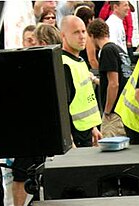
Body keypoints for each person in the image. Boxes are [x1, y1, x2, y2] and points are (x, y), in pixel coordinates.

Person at [60, 15, 101, 148]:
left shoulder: (80, 61)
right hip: (76, 137)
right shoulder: (64, 64)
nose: (82, 36)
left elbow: (84, 98)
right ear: (63, 36)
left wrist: (93, 128)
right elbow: (62, 106)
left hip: (87, 133)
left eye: (84, 31)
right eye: (76, 32)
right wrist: (68, 139)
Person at [87, 18, 131, 138]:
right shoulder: (119, 50)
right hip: (124, 110)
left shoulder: (107, 51)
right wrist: (95, 80)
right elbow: (119, 79)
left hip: (114, 113)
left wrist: (107, 111)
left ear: (91, 36)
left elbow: (114, 84)